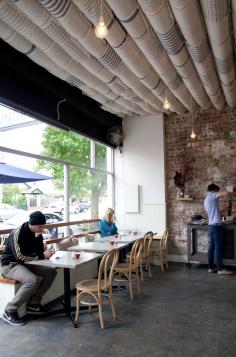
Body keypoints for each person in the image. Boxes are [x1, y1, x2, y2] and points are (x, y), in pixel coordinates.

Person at [1, 211, 57, 326]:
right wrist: (42, 256)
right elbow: (20, 256)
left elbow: (37, 252)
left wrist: (39, 241)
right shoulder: (17, 233)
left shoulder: (37, 232)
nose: (42, 228)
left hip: (24, 263)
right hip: (10, 265)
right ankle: (9, 310)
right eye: (40, 226)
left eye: (43, 226)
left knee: (51, 272)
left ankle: (33, 304)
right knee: (32, 279)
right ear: (32, 224)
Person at [204, 184, 233, 275]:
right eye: (217, 190)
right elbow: (224, 193)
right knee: (218, 247)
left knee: (212, 247)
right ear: (214, 190)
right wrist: (231, 189)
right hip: (216, 226)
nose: (218, 193)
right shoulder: (213, 195)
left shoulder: (206, 200)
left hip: (211, 226)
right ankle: (220, 269)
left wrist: (226, 208)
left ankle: (211, 267)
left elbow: (216, 212)